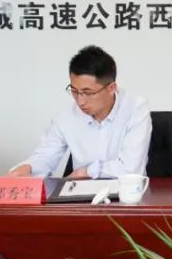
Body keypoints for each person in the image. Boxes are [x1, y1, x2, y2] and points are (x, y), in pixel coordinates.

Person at [9, 45, 152, 179]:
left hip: (127, 193)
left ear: (111, 88)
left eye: (88, 93)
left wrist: (87, 171)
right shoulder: (66, 116)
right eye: (74, 91)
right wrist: (29, 167)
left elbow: (130, 169)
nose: (80, 101)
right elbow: (46, 155)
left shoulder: (136, 109)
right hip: (82, 194)